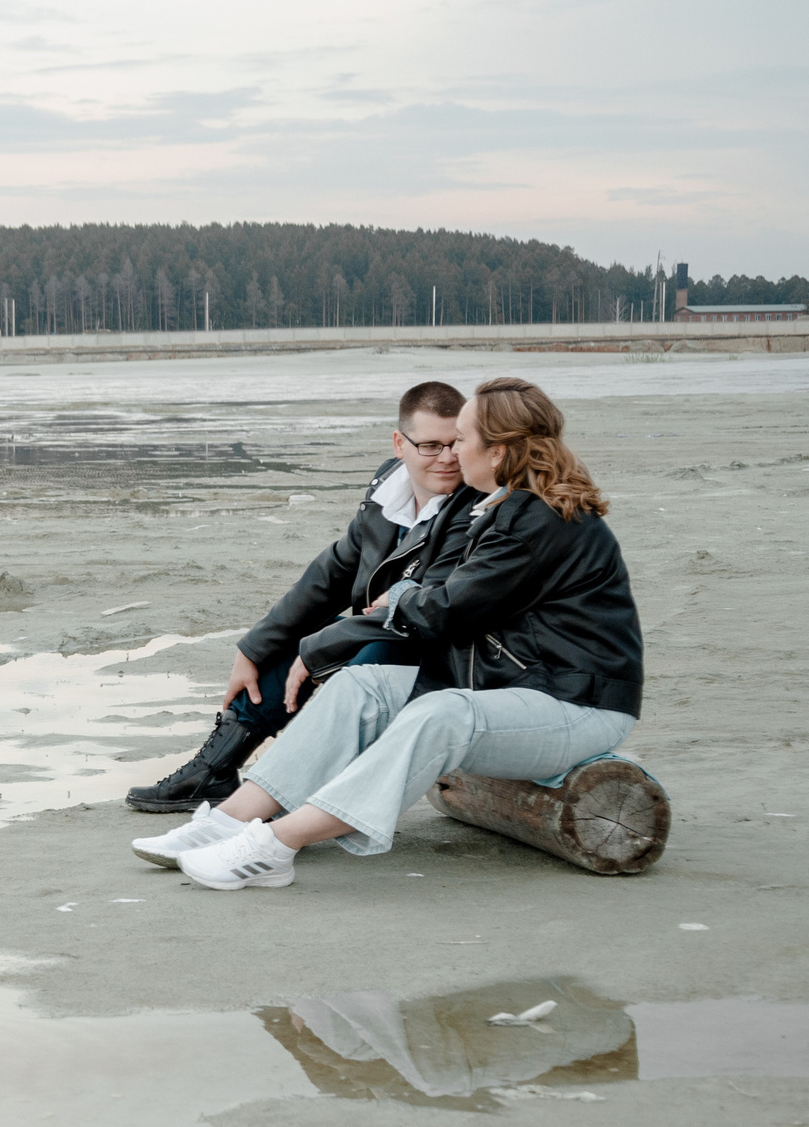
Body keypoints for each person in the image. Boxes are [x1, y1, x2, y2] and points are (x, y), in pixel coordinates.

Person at [130, 377, 641, 890]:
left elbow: (443, 608)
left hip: (578, 705)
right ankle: (229, 820)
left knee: (440, 714)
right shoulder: (501, 507)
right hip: (515, 690)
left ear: (501, 451)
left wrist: (396, 599)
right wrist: (280, 642)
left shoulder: (535, 520)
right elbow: (361, 577)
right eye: (440, 442)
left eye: (461, 439)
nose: (453, 454)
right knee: (362, 684)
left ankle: (274, 844)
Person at [125, 381, 477, 813]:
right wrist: (254, 648)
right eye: (430, 446)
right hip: (386, 630)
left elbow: (427, 610)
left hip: (446, 654)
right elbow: (332, 573)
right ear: (399, 444)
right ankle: (214, 771)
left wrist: (318, 649)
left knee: (360, 655)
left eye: (454, 443)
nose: (446, 458)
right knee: (287, 645)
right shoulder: (388, 487)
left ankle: (285, 791)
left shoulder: (474, 507)